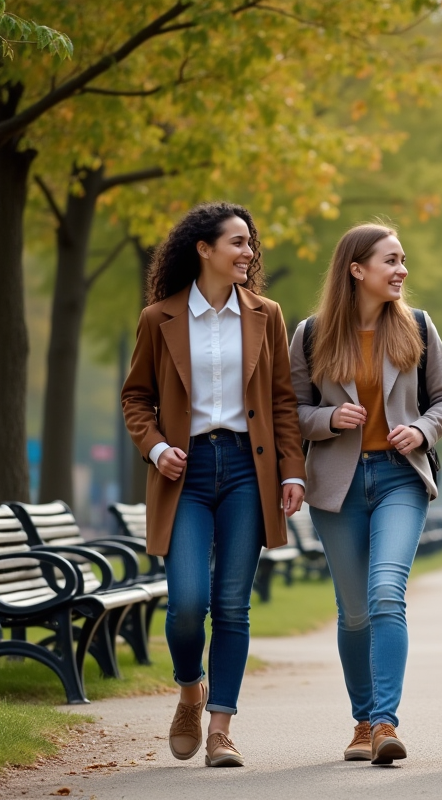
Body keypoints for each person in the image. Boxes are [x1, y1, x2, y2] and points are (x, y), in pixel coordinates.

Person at [122, 201, 306, 768]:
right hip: (187, 471)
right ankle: (189, 690)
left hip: (249, 471)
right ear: (204, 249)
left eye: (250, 243)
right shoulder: (160, 318)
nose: (249, 253)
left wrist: (292, 468)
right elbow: (136, 397)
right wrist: (156, 448)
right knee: (186, 604)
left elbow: (281, 399)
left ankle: (221, 728)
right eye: (238, 243)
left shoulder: (266, 314)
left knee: (231, 604)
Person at [288, 223, 442, 765]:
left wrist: (423, 429)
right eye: (390, 260)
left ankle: (386, 722)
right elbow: (288, 412)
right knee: (354, 611)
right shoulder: (312, 333)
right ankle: (361, 721)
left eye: (403, 259)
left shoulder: (420, 327)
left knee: (387, 593)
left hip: (398, 479)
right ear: (356, 269)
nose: (401, 270)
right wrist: (328, 417)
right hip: (336, 486)